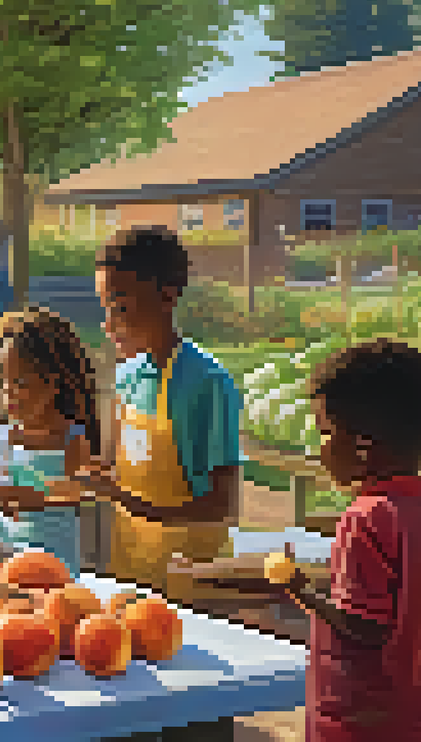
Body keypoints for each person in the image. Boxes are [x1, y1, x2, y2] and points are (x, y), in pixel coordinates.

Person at [264, 339, 421, 742]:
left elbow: (367, 627)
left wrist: (302, 592)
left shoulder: (365, 519)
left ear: (362, 447)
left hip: (362, 727)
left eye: (325, 432)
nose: (320, 448)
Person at [76, 225, 241, 592]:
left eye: (120, 307)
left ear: (167, 297)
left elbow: (219, 507)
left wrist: (125, 499)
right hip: (130, 568)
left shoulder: (208, 383)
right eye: (104, 309)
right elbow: (124, 467)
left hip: (192, 579)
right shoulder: (127, 376)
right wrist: (87, 473)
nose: (107, 324)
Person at [0, 308, 104, 574]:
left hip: (57, 556)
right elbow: (1, 491)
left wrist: (40, 499)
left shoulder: (72, 438)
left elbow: (80, 493)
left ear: (53, 384)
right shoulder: (2, 438)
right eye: (4, 383)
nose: (10, 393)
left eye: (21, 383)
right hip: (13, 556)